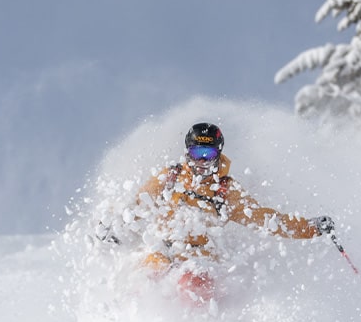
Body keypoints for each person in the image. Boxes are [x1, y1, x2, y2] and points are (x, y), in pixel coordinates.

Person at [131, 122, 335, 306]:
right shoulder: (171, 177)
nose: (202, 162)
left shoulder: (225, 191)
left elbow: (265, 219)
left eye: (208, 155)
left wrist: (310, 228)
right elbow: (137, 205)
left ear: (218, 154)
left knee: (192, 284)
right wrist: (111, 227)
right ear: (187, 153)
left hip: (199, 258)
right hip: (163, 250)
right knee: (145, 276)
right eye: (197, 153)